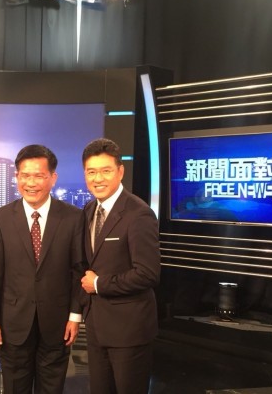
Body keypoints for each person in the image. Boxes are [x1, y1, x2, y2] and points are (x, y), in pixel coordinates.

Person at [0, 144, 85, 394]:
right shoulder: (1, 219)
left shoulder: (73, 217)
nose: (31, 183)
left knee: (52, 388)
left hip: (58, 323)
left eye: (38, 175)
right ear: (16, 177)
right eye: (25, 175)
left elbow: (78, 270)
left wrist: (75, 315)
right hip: (13, 323)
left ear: (52, 178)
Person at [80, 138, 160, 394]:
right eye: (91, 172)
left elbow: (147, 273)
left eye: (106, 171)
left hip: (129, 331)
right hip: (97, 328)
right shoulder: (89, 210)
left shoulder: (139, 213)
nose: (98, 179)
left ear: (120, 171)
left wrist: (98, 284)